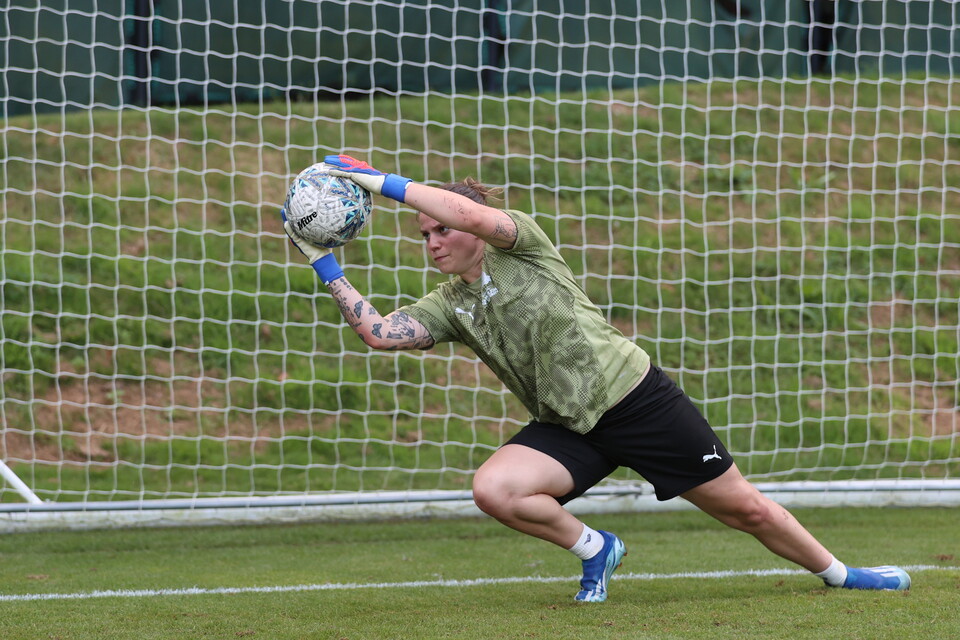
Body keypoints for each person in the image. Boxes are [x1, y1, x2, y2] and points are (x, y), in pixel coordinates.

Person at [282, 154, 912, 602]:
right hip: (568, 425)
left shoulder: (521, 242)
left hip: (634, 400)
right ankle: (595, 550)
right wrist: (324, 262)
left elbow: (470, 215)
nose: (433, 241)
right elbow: (379, 333)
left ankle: (841, 574)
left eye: (441, 228)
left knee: (746, 510)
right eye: (424, 235)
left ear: (469, 223)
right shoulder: (450, 303)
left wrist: (376, 181)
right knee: (496, 490)